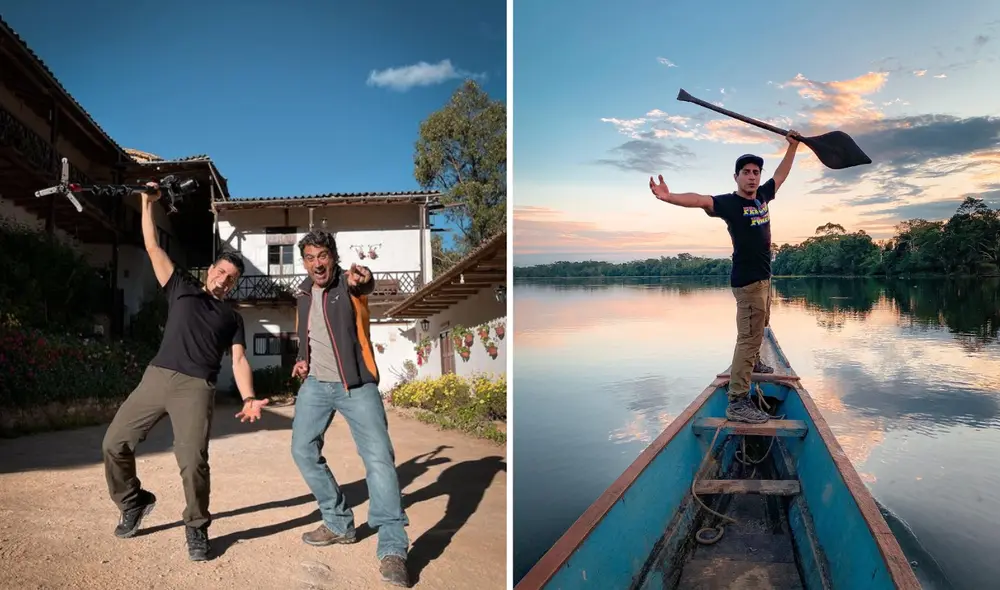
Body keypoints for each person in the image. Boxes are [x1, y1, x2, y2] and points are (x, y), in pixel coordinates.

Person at [101, 182, 269, 561]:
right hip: (157, 376)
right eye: (221, 271)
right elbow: (152, 246)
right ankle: (133, 501)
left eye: (231, 278)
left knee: (193, 461)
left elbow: (239, 360)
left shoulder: (232, 318)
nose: (223, 279)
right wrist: (147, 203)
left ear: (234, 285)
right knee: (114, 443)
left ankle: (196, 526)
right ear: (211, 270)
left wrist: (248, 397)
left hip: (195, 387)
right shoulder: (180, 286)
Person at [649, 131, 801, 424]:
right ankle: (737, 401)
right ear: (736, 177)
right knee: (748, 338)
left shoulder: (763, 197)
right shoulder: (730, 203)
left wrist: (793, 147)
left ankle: (754, 361)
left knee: (760, 326)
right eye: (746, 172)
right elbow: (699, 199)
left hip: (764, 279)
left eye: (756, 172)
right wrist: (668, 197)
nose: (752, 177)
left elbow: (781, 175)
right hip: (748, 282)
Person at [288, 230, 411, 588]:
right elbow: (308, 334)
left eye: (322, 255)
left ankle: (392, 548)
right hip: (316, 384)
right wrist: (301, 359)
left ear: (333, 257)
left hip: (356, 385)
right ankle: (338, 522)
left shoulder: (348, 283)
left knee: (379, 459)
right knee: (302, 450)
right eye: (310, 257)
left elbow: (364, 285)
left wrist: (364, 279)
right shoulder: (302, 294)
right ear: (304, 263)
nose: (316, 263)